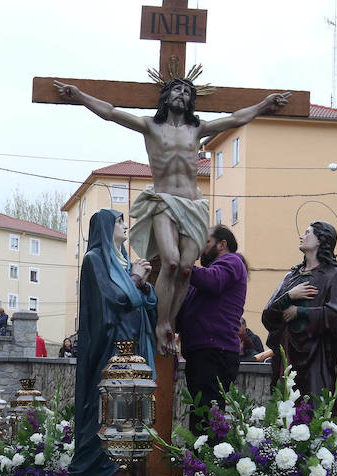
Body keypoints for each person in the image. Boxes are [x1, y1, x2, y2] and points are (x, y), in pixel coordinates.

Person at [56, 78, 289, 355]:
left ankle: (171, 321)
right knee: (171, 262)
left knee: (187, 269)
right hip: (163, 202)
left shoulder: (197, 129)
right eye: (176, 90)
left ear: (192, 100)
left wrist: (264, 105)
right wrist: (80, 95)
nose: (181, 95)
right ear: (165, 96)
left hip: (193, 204)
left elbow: (235, 119)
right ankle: (162, 321)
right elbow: (110, 112)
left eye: (187, 92)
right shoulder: (150, 126)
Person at [67, 209, 156, 476]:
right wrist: (137, 279)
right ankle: (95, 471)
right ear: (106, 228)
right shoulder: (95, 260)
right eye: (119, 222)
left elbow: (143, 304)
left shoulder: (125, 262)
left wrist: (143, 286)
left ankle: (125, 471)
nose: (125, 225)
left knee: (131, 409)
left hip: (133, 347)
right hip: (109, 349)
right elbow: (114, 300)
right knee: (103, 406)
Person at [262, 221, 337, 408]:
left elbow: (336, 318)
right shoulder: (291, 277)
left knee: (314, 408)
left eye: (308, 233)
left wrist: (299, 312)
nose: (302, 236)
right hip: (287, 353)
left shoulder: (334, 275)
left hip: (318, 357)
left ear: (321, 240)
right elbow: (268, 316)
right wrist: (289, 297)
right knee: (285, 410)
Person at [176, 225, 247, 433]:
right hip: (203, 352)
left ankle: (207, 462)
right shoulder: (204, 278)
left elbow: (213, 281)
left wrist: (185, 264)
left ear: (221, 244)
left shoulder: (232, 261)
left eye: (205, 242)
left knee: (208, 415)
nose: (201, 248)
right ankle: (199, 462)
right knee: (201, 414)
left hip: (216, 352)